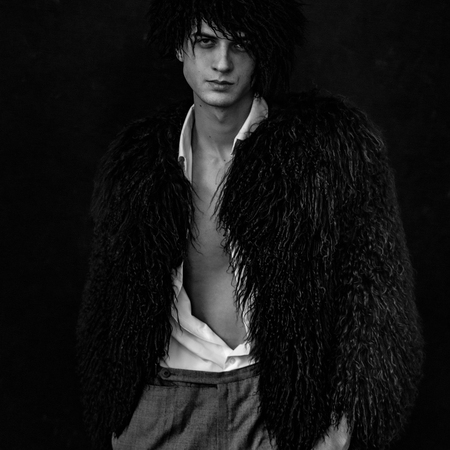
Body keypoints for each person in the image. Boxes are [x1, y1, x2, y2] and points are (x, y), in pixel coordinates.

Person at [77, 0, 424, 449]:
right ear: (181, 47)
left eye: (240, 45)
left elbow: (376, 292)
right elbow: (107, 301)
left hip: (281, 407)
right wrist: (121, 423)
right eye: (206, 42)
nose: (222, 63)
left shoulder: (327, 155)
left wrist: (342, 429)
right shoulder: (137, 166)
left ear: (262, 51)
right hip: (164, 401)